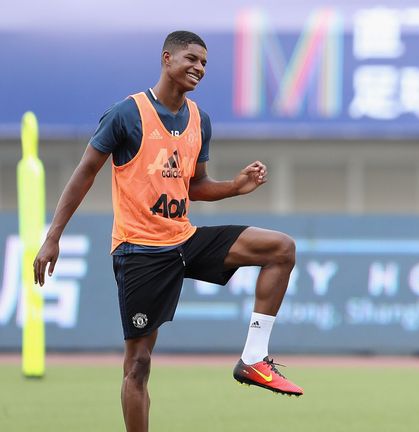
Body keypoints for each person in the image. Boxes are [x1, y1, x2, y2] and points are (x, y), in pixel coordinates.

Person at [33, 30, 303, 432]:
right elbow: (84, 173)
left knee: (281, 249)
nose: (199, 68)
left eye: (205, 63)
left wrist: (234, 186)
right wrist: (54, 235)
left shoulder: (199, 119)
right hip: (139, 250)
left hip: (184, 238)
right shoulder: (127, 113)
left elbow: (194, 186)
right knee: (138, 365)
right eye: (192, 59)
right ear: (167, 59)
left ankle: (253, 359)